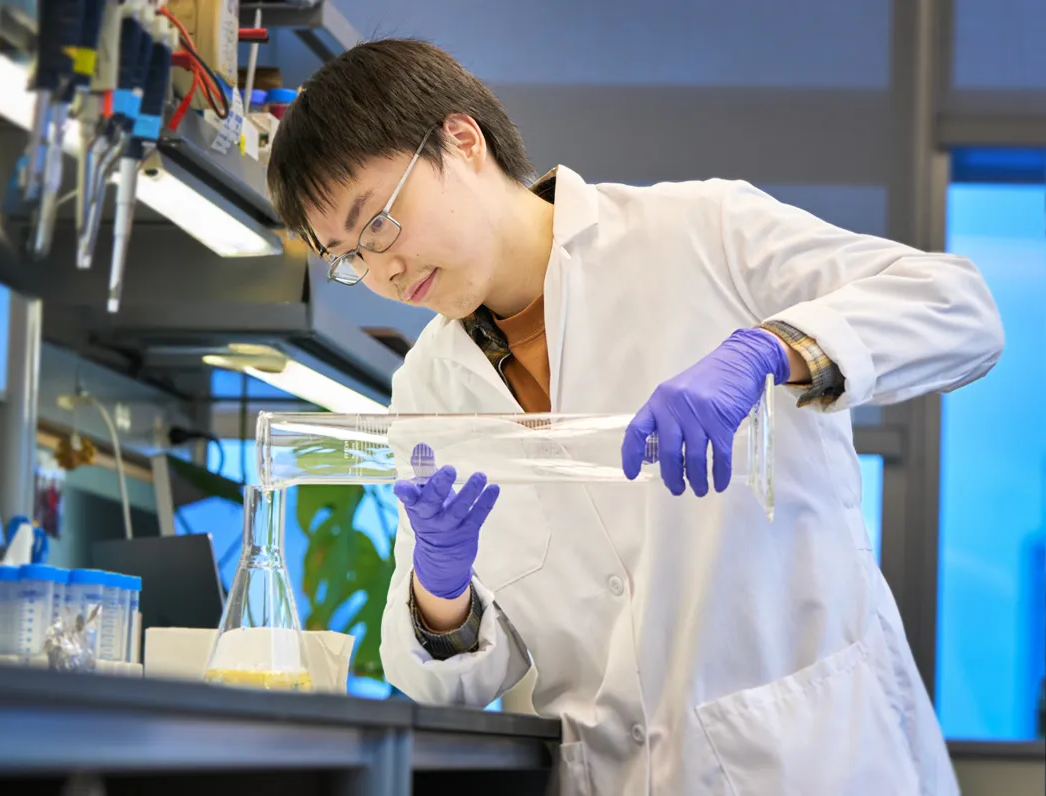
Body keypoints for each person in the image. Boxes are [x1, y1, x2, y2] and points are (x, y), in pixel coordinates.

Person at [267, 38, 1003, 796]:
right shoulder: (427, 383)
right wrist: (440, 587)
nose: (380, 270)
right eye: (347, 256)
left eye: (379, 221)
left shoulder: (702, 231)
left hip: (811, 763)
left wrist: (766, 349)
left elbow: (960, 310)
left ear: (461, 140)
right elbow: (446, 684)